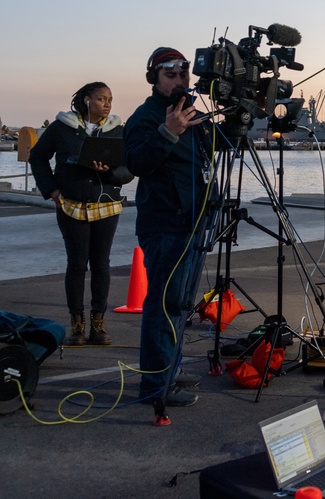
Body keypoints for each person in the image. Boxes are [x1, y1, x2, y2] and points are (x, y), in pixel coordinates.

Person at [125, 47, 215, 411]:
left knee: (178, 305)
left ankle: (169, 371)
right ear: (154, 79)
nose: (180, 80)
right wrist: (168, 132)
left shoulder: (193, 114)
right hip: (166, 225)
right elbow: (134, 163)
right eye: (170, 74)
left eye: (184, 73)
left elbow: (212, 154)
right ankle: (154, 387)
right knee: (163, 306)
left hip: (195, 222)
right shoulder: (145, 117)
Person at [30, 82, 133, 346]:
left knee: (101, 264)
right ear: (87, 100)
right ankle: (77, 325)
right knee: (76, 265)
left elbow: (129, 169)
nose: (107, 103)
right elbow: (38, 156)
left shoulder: (118, 130)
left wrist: (108, 172)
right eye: (101, 98)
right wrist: (50, 189)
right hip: (70, 204)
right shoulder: (62, 127)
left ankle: (98, 325)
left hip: (106, 205)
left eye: (110, 99)